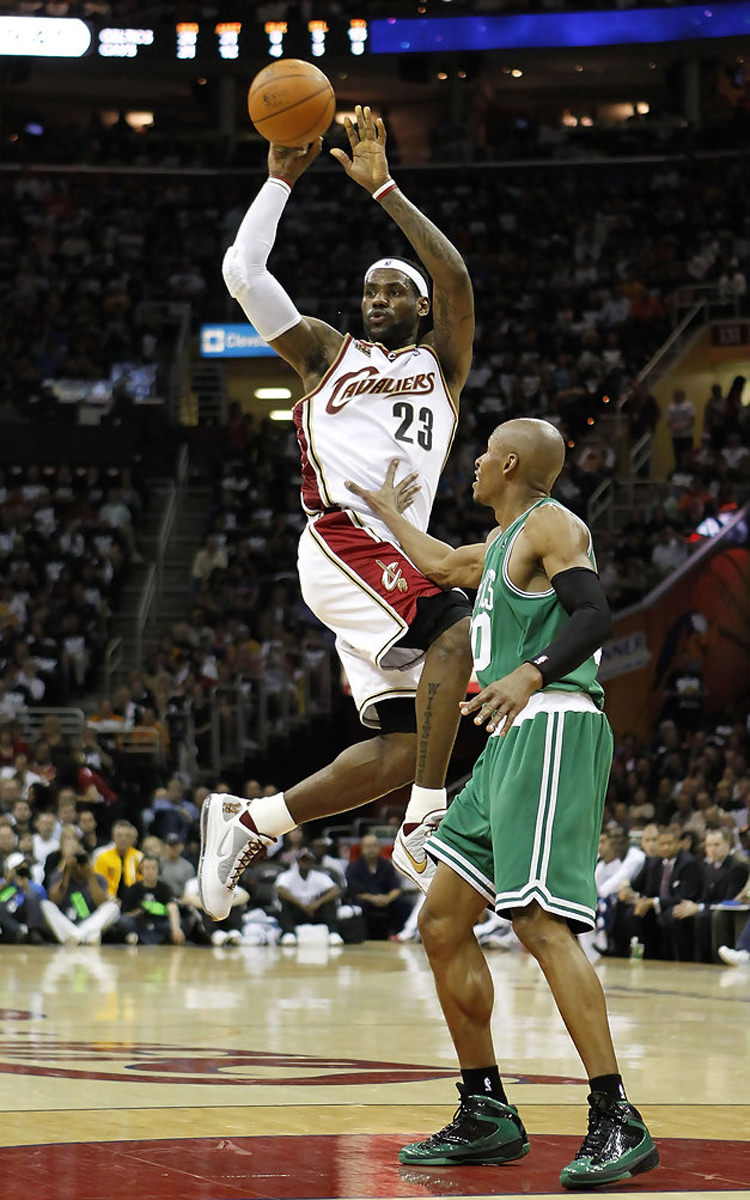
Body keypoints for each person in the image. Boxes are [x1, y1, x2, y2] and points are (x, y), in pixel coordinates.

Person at [344, 418, 658, 1188]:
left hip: (552, 723)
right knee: (443, 921)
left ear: (511, 463)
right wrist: (386, 513)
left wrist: (533, 673)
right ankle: (486, 1111)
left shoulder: (552, 522)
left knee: (538, 923)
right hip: (505, 745)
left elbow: (595, 614)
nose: (475, 465)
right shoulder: (492, 551)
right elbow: (437, 560)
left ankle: (617, 1117)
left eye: (483, 456)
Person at [199, 104, 474, 920]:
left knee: (414, 740)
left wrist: (383, 186)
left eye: (396, 290)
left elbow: (456, 278)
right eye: (371, 290)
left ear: (420, 310)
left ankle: (250, 821)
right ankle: (425, 824)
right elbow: (244, 275)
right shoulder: (326, 351)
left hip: (397, 558)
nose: (379, 297)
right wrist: (281, 181)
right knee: (457, 631)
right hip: (345, 538)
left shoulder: (442, 369)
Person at [345, 832, 413, 940]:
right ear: (362, 849)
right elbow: (354, 891)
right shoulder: (354, 867)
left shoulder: (386, 865)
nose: (371, 849)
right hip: (365, 900)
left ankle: (397, 934)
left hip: (386, 900)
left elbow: (396, 888)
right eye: (367, 846)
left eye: (374, 846)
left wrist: (387, 898)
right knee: (359, 905)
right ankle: (363, 935)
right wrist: (373, 898)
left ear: (379, 848)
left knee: (404, 904)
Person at [274, 847, 342, 946]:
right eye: (303, 860)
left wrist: (316, 903)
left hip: (315, 911)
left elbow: (336, 890)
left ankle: (333, 933)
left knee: (329, 902)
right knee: (284, 902)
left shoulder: (321, 876)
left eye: (308, 860)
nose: (305, 862)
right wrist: (302, 906)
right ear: (297, 861)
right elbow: (280, 890)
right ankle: (289, 934)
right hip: (297, 911)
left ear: (312, 861)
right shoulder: (286, 876)